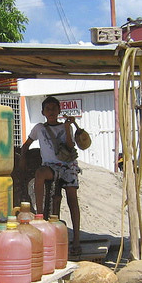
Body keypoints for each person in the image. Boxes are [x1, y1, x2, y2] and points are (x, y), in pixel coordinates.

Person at [19, 96, 82, 254]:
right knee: (40, 173)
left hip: (68, 166)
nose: (51, 111)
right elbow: (26, 145)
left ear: (59, 111)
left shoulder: (65, 127)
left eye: (54, 108)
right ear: (43, 112)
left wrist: (68, 128)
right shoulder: (39, 128)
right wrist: (22, 159)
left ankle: (76, 240)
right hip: (50, 167)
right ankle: (40, 215)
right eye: (48, 109)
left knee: (72, 199)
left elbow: (69, 145)